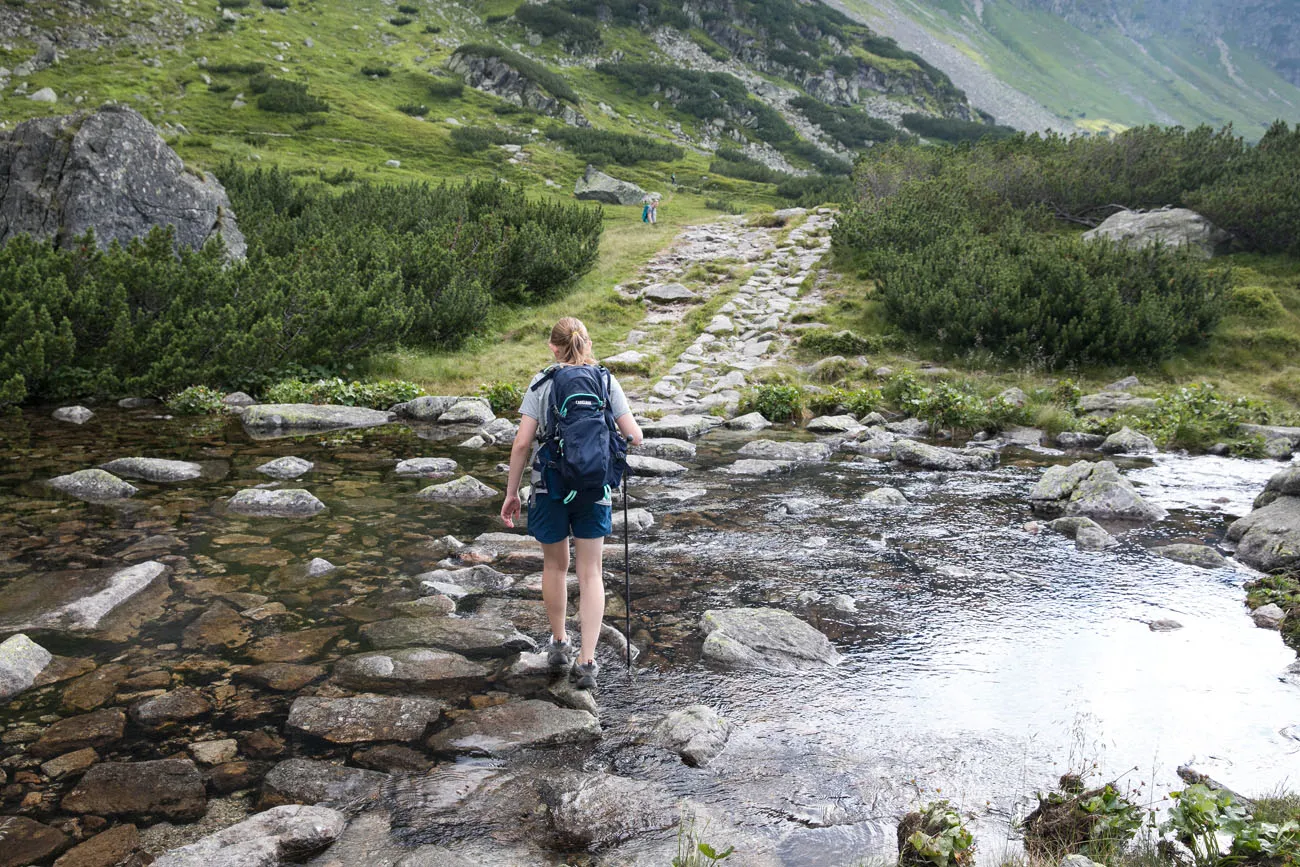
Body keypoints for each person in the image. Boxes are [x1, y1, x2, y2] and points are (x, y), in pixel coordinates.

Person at [501, 317, 643, 690]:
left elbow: (521, 444)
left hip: (549, 487)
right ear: (587, 343)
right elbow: (634, 435)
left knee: (554, 564)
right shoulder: (605, 380)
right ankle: (588, 662)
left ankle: (561, 643)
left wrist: (511, 493)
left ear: (553, 347)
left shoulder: (542, 382)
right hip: (594, 489)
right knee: (590, 572)